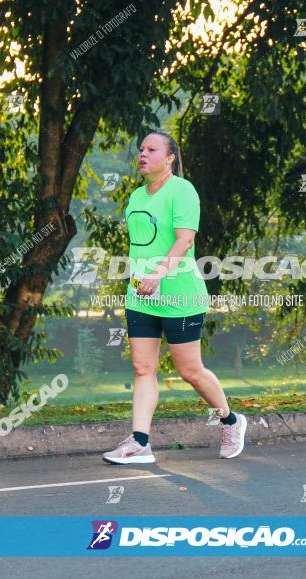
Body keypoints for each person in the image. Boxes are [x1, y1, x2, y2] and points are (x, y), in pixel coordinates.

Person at [102, 131, 247, 464]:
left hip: (179, 294)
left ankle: (230, 420)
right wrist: (142, 280)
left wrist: (157, 275)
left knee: (190, 371)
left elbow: (183, 241)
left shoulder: (182, 191)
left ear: (170, 158)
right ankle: (140, 443)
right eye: (141, 149)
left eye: (152, 149)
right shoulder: (136, 197)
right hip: (141, 297)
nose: (143, 154)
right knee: (142, 367)